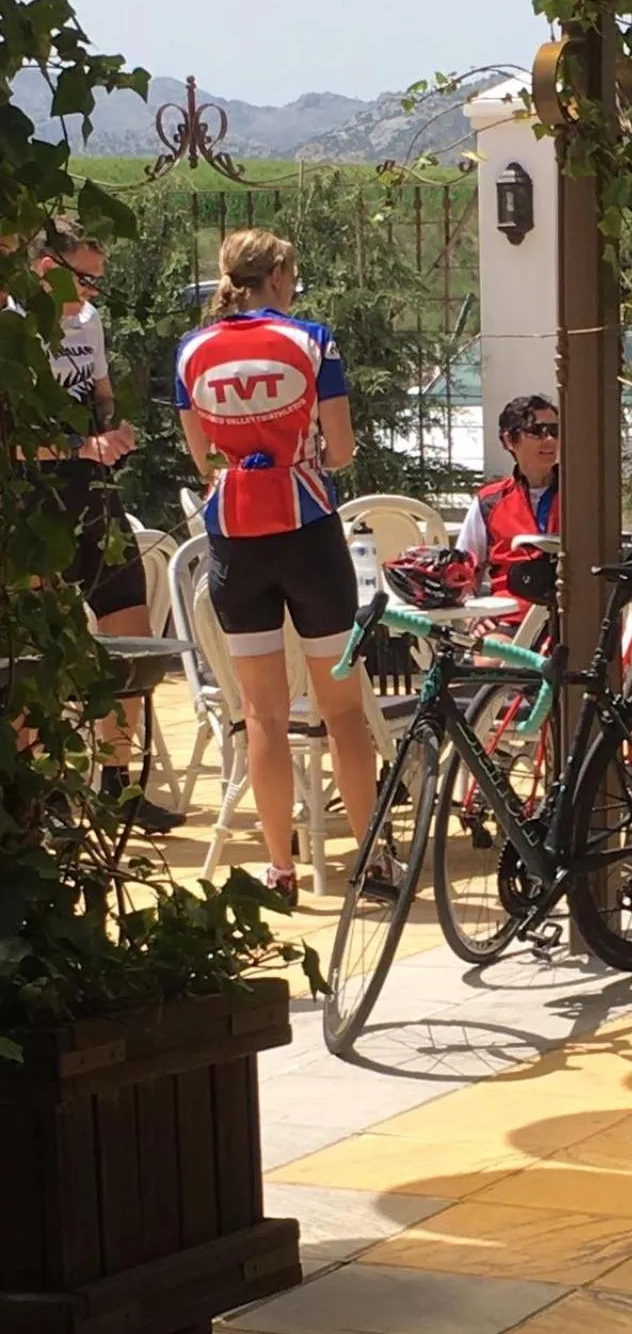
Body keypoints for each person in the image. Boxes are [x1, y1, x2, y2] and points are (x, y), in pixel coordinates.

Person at [174, 228, 378, 907]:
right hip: (309, 532)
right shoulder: (311, 340)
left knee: (261, 716)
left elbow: (203, 459)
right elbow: (343, 449)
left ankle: (280, 869)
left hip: (235, 538)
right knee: (342, 711)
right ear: (279, 275)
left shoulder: (192, 350)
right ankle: (371, 858)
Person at [17, 218, 185, 832]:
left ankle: (118, 787)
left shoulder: (89, 322)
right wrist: (77, 446)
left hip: (97, 497)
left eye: (99, 280)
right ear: (46, 266)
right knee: (40, 652)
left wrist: (114, 430)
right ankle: (38, 790)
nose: (93, 291)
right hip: (36, 505)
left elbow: (103, 391)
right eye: (84, 278)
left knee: (130, 638)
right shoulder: (14, 323)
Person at [459, 395, 560, 600]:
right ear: (509, 441)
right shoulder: (489, 501)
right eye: (537, 432)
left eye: (555, 431)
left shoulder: (583, 496)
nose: (550, 439)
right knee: (489, 635)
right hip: (510, 619)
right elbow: (462, 571)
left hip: (572, 619)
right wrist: (473, 617)